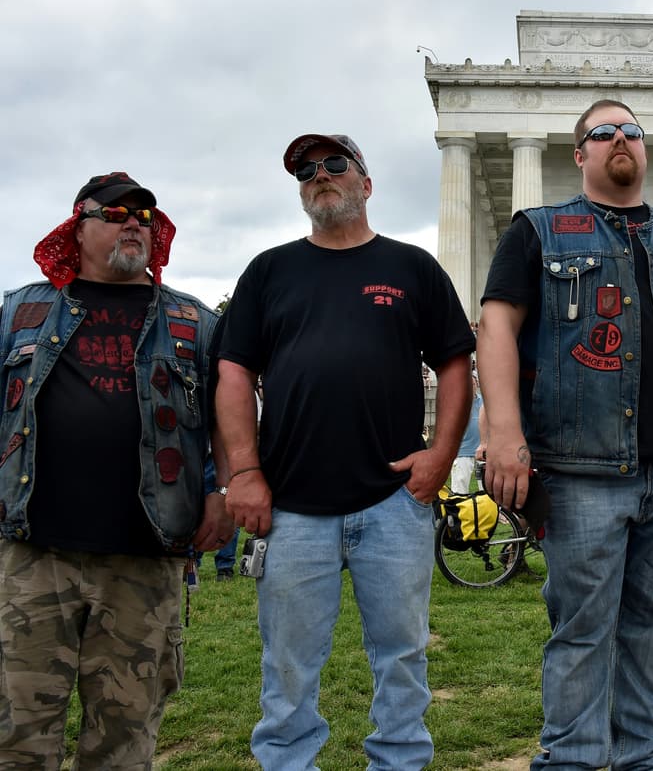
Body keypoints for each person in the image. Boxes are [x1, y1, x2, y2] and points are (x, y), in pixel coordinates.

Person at [477, 99, 653, 769]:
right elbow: (498, 324)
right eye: (603, 132)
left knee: (652, 631)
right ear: (581, 153)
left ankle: (646, 763)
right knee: (582, 634)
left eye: (631, 130)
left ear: (644, 149)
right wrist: (503, 428)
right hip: (581, 474)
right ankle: (569, 762)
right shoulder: (538, 231)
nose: (620, 138)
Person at [216, 134, 475, 769]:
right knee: (288, 665)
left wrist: (440, 455)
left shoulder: (411, 267)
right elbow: (231, 374)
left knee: (403, 658)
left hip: (393, 502)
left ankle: (399, 761)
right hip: (293, 507)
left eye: (335, 164)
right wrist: (244, 473)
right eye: (306, 170)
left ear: (365, 182)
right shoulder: (269, 270)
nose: (319, 175)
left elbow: (455, 362)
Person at [0, 172, 228, 766]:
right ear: (78, 228)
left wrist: (222, 490)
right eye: (118, 212)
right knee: (16, 733)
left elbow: (228, 420)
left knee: (124, 740)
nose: (135, 223)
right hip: (32, 555)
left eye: (146, 216)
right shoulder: (21, 311)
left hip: (144, 558)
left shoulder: (193, 323)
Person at [450, 369, 483, 494]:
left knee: (486, 491)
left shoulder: (484, 402)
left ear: (477, 384)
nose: (470, 387)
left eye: (473, 384)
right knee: (459, 490)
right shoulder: (457, 403)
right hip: (463, 452)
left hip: (483, 453)